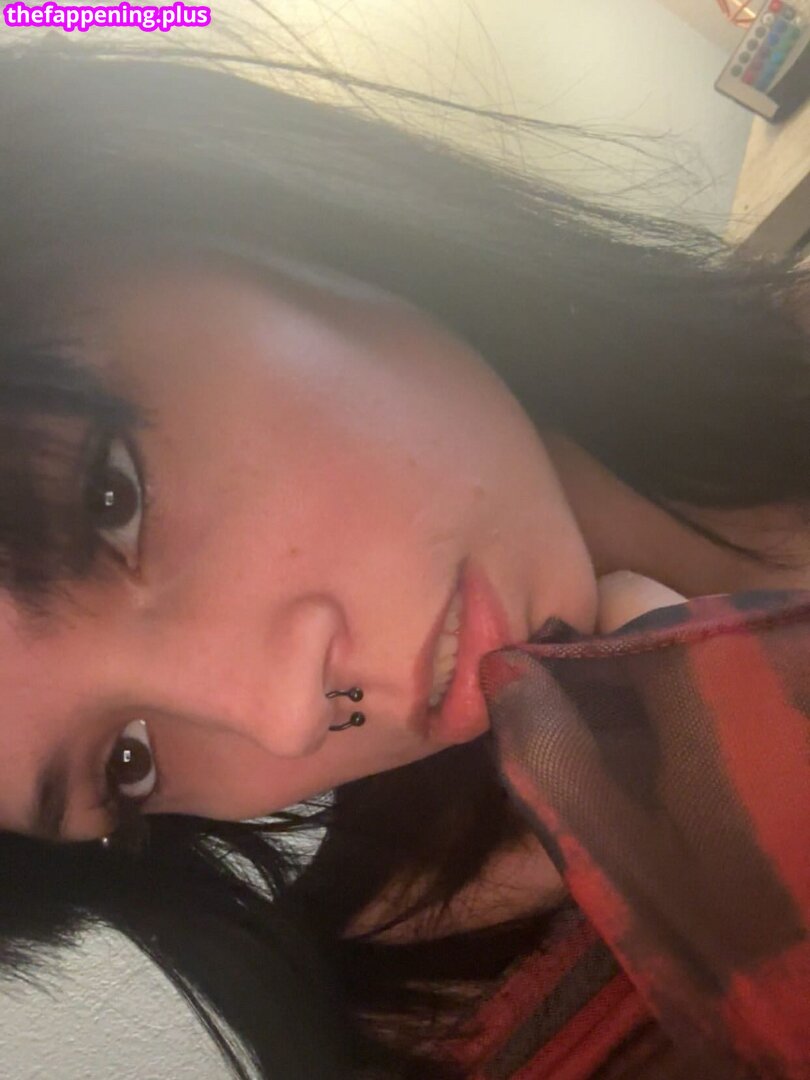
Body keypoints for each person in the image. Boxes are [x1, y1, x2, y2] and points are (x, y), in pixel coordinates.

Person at [0, 28, 808, 1080]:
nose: (283, 716)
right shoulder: (442, 1038)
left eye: (111, 500)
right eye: (126, 766)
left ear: (208, 208)